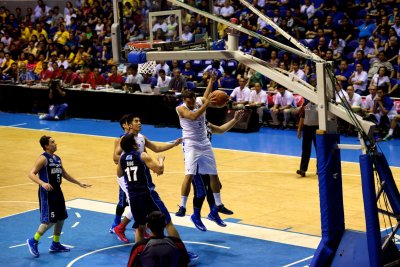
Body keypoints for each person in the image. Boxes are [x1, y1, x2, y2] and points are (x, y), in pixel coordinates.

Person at [118, 134, 197, 261]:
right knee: (167, 221)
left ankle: (140, 257)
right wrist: (161, 160)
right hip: (147, 194)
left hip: (133, 197)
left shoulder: (122, 158)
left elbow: (119, 173)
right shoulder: (142, 155)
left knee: (140, 226)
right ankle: (183, 255)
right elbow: (159, 170)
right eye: (136, 142)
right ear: (134, 144)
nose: (138, 144)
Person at [111, 115, 182, 242]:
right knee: (137, 204)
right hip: (132, 179)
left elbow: (156, 148)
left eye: (140, 120)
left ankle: (127, 230)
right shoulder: (125, 140)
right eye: (136, 121)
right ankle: (119, 226)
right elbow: (115, 158)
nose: (139, 123)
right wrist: (136, 161)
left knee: (138, 210)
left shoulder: (141, 138)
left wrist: (174, 144)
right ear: (128, 125)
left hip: (138, 174)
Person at [175, 71, 233, 217]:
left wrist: (210, 82)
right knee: (189, 175)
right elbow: (194, 116)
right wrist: (206, 104)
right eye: (188, 101)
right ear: (184, 100)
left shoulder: (198, 101)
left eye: (193, 100)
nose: (191, 103)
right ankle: (182, 206)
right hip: (191, 144)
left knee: (214, 174)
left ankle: (219, 204)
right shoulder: (181, 108)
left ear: (194, 97)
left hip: (204, 142)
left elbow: (207, 96)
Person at [27, 135, 91, 258]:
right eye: (52, 142)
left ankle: (55, 244)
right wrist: (42, 183)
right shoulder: (43, 158)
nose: (55, 144)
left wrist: (79, 183)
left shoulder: (57, 158)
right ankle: (33, 241)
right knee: (50, 220)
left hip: (57, 191)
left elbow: (64, 174)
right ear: (46, 146)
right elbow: (31, 173)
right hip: (47, 193)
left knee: (61, 217)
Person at [191, 110, 244, 231]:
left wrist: (235, 120)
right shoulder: (192, 125)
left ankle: (213, 212)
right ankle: (196, 216)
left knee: (216, 186)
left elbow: (220, 130)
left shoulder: (207, 124)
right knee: (200, 192)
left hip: (206, 160)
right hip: (196, 162)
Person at [296, 100, 318, 177]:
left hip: (317, 128)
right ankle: (302, 170)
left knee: (319, 150)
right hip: (306, 128)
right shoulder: (306, 104)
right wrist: (299, 130)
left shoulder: (320, 104)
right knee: (305, 149)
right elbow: (302, 117)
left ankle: (319, 169)